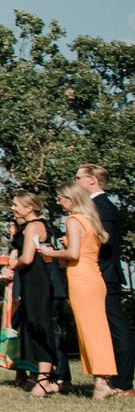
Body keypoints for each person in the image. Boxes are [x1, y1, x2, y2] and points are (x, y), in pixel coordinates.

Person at [44, 183, 120, 399]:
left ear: (71, 199)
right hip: (95, 277)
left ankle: (100, 383)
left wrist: (51, 252)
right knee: (98, 329)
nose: (59, 202)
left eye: (61, 198)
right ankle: (103, 379)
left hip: (81, 278)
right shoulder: (90, 220)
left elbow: (74, 253)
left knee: (89, 330)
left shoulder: (73, 220)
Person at [76, 164, 133, 394]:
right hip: (96, 275)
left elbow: (104, 241)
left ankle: (123, 382)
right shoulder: (95, 207)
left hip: (106, 276)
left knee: (117, 327)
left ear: (92, 180)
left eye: (79, 177)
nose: (76, 181)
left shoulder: (103, 207)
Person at [3, 192, 61, 396]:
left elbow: (27, 258)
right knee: (32, 325)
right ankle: (43, 376)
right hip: (30, 282)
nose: (13, 208)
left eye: (16, 204)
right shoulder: (28, 227)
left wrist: (12, 266)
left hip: (37, 282)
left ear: (29, 208)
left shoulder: (34, 226)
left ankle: (45, 379)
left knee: (40, 325)